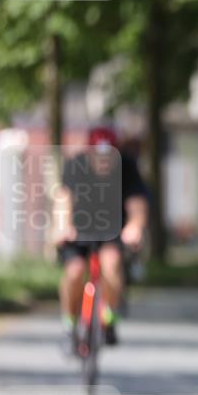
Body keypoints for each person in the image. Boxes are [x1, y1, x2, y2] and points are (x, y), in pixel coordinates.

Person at [54, 125, 149, 351]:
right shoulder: (75, 166)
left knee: (112, 263)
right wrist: (62, 226)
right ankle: (70, 324)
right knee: (75, 271)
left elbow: (137, 203)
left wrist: (135, 227)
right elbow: (64, 199)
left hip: (112, 230)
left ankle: (109, 318)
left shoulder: (128, 167)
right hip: (78, 229)